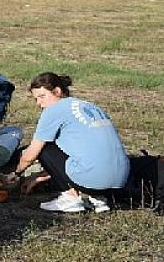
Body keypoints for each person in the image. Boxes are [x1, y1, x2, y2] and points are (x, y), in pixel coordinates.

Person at [11, 72, 129, 213]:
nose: (39, 104)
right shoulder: (91, 106)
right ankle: (98, 198)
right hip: (121, 181)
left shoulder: (53, 110)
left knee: (44, 146)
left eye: (42, 97)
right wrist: (39, 177)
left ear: (57, 92)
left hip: (93, 180)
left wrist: (16, 173)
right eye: (36, 99)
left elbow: (31, 154)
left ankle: (70, 198)